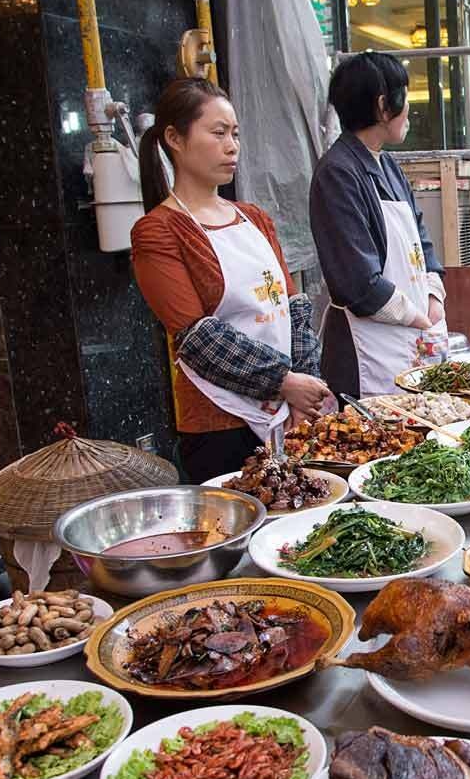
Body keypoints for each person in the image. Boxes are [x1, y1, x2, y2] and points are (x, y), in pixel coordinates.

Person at [131, 78, 328, 483]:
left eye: (235, 134)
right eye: (218, 133)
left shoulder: (255, 218)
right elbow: (196, 338)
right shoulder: (159, 231)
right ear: (175, 138)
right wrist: (285, 382)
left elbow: (294, 307)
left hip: (288, 415)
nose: (232, 145)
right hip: (219, 425)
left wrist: (305, 392)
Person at [311, 52, 447, 398]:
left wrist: (433, 297)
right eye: (404, 96)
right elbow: (357, 283)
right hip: (366, 353)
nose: (409, 112)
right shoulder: (338, 173)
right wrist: (418, 318)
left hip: (410, 339)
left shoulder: (388, 166)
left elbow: (422, 241)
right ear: (384, 105)